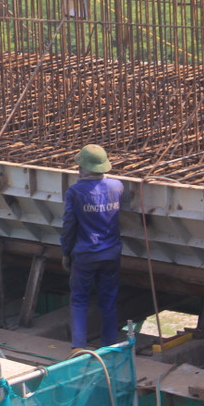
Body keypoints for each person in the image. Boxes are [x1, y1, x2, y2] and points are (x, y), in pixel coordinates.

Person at [60, 144, 124, 351]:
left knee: (79, 300)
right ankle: (110, 347)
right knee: (109, 300)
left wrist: (65, 252)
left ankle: (78, 347)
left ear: (83, 168)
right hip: (111, 253)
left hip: (86, 254)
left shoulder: (75, 192)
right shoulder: (117, 187)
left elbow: (69, 224)